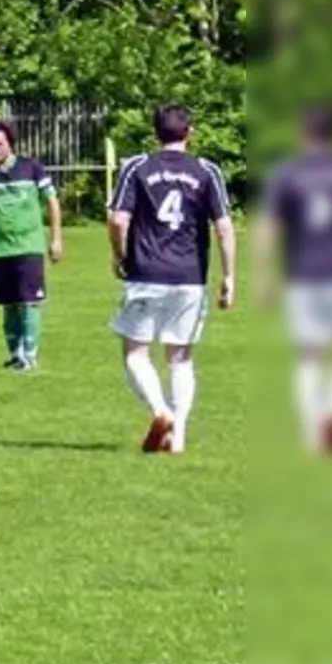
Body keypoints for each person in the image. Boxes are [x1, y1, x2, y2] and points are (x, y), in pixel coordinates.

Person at [107, 104, 236, 454]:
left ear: (155, 133)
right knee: (181, 358)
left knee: (135, 353)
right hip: (189, 277)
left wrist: (119, 255)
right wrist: (229, 276)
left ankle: (160, 411)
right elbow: (224, 227)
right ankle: (178, 436)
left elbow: (118, 220)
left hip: (146, 272)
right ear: (190, 133)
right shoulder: (206, 170)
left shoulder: (137, 167)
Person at [255, 105, 332, 452]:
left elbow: (269, 227)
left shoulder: (288, 173)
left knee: (309, 355)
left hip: (303, 275)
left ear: (303, 133)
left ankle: (313, 432)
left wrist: (263, 276)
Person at [0, 120, 64, 370]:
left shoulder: (30, 168)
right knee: (8, 304)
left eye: (0, 144)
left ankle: (30, 356)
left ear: (10, 144)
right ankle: (15, 354)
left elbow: (52, 203)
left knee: (28, 302)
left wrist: (56, 239)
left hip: (28, 246)